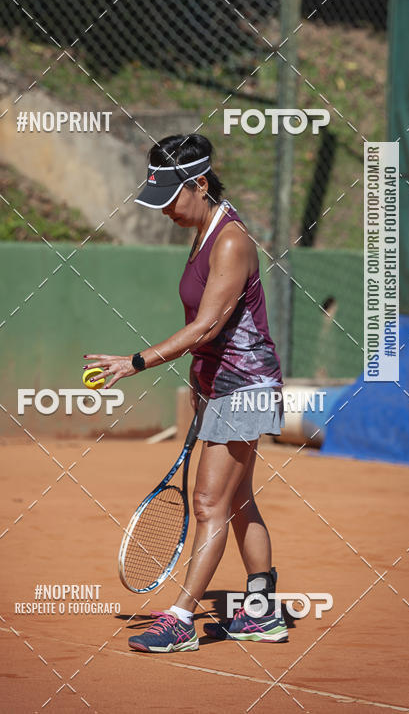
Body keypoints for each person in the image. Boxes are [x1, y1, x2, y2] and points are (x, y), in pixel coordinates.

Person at [84, 134, 287, 652]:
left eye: (171, 198)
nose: (165, 211)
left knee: (208, 502)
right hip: (222, 384)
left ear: (199, 185)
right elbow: (209, 333)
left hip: (246, 387)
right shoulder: (201, 233)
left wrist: (134, 362)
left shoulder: (231, 240)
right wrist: (200, 382)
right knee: (237, 500)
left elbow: (206, 326)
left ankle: (179, 620)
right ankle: (262, 612)